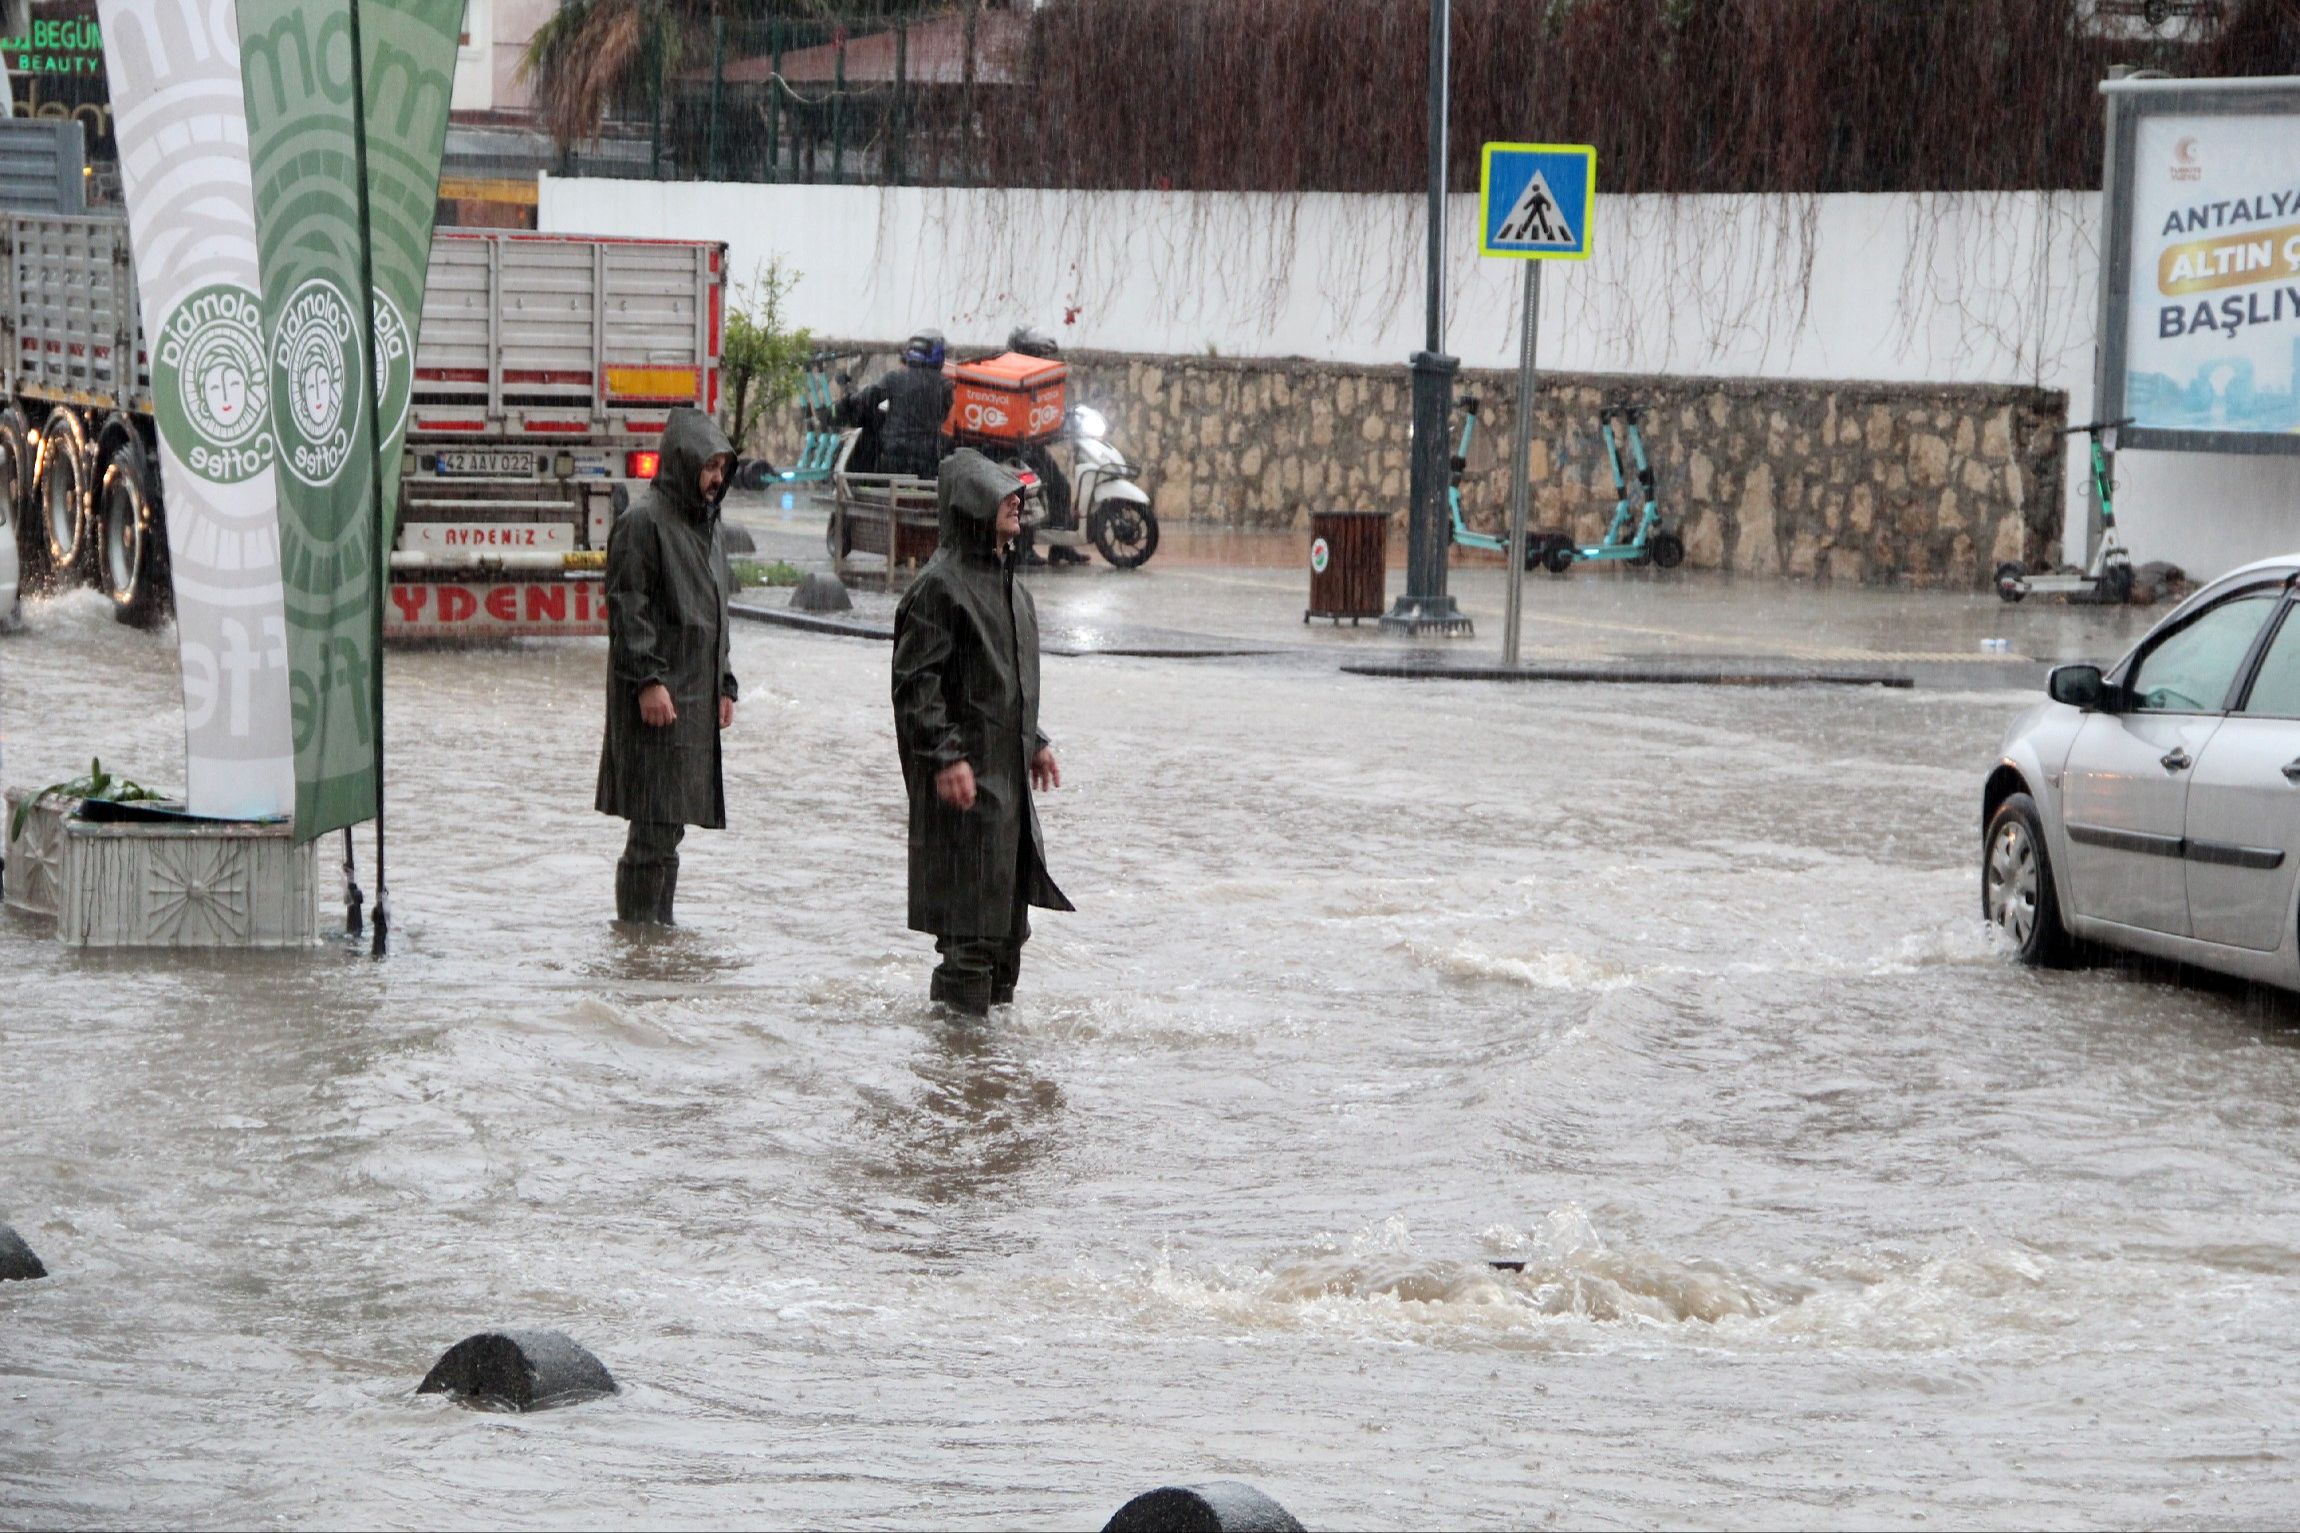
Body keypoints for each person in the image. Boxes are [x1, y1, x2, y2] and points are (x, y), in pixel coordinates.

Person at [891, 448, 1074, 1015]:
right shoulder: (938, 588)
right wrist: (946, 758)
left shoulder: (1013, 587)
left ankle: (986, 1076)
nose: (1017, 502)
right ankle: (955, 1071)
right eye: (1002, 494)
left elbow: (1002, 682)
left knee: (1007, 937)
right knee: (968, 941)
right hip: (965, 791)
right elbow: (915, 686)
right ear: (972, 506)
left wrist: (1036, 740)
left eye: (1017, 494)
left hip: (1008, 791)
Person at [596, 407, 739, 925]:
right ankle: (637, 934)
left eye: (722, 467)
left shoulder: (709, 526)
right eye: (708, 467)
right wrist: (648, 681)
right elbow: (627, 608)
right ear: (683, 463)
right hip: (658, 697)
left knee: (671, 825)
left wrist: (726, 683)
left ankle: (656, 933)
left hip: (695, 697)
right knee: (653, 826)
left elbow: (716, 612)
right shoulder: (642, 523)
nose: (716, 478)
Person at [850, 329, 952, 480]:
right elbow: (943, 416)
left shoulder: (894, 378)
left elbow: (864, 401)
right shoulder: (945, 386)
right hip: (927, 460)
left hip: (893, 457)